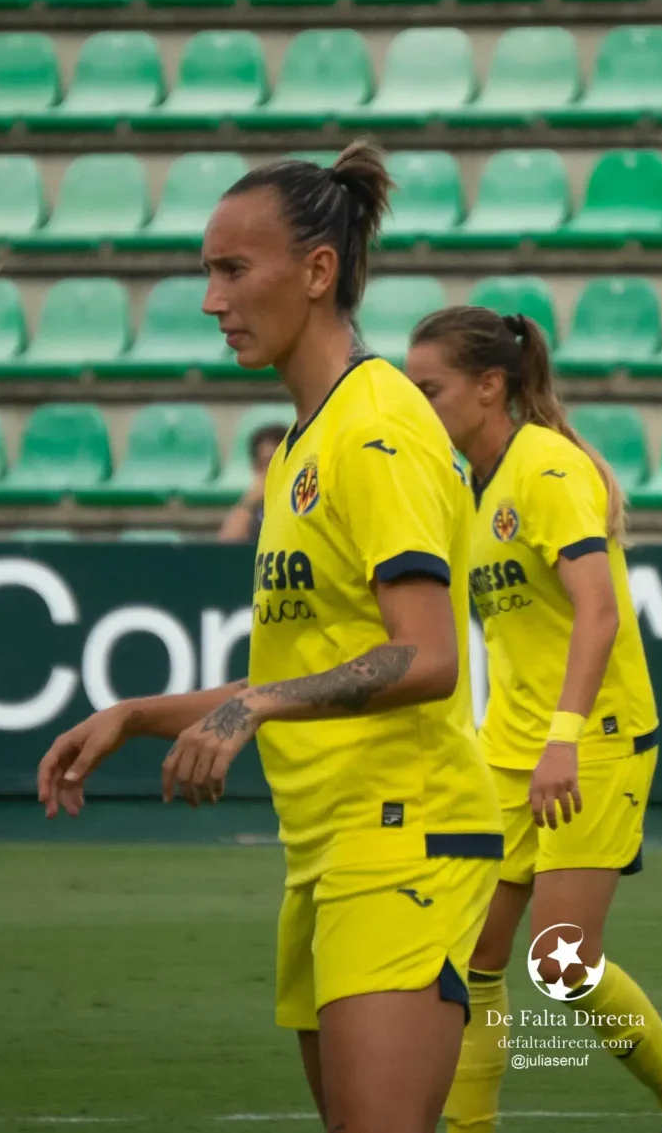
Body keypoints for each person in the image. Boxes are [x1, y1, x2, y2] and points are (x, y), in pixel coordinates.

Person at [37, 145, 500, 1133]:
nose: (212, 299)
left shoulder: (376, 428)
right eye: (209, 271)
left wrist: (250, 707)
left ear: (319, 270)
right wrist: (136, 715)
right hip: (327, 845)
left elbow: (425, 656)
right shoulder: (305, 439)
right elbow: (307, 670)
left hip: (401, 837)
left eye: (231, 269)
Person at [403, 307, 662, 1133]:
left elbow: (600, 614)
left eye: (428, 388)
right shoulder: (463, 484)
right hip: (506, 748)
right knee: (475, 956)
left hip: (593, 741)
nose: (417, 402)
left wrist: (563, 740)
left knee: (559, 963)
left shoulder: (546, 469)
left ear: (490, 386)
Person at [216, 422, 289, 543]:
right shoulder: (252, 508)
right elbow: (226, 546)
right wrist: (249, 502)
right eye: (266, 463)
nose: (271, 470)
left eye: (278, 462)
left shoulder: (303, 501)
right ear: (256, 468)